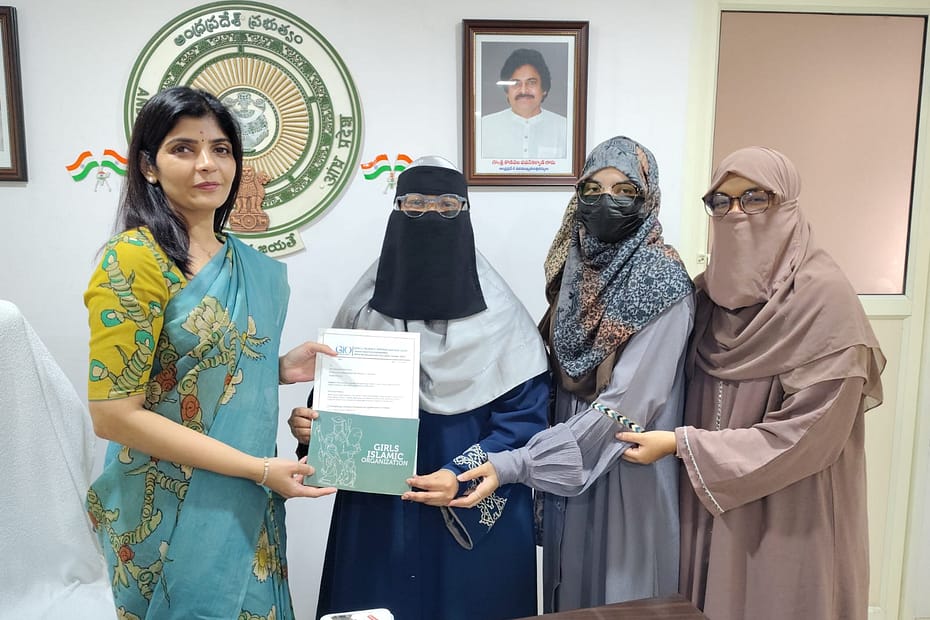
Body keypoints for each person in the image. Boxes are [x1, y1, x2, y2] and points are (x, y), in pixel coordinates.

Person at [83, 86, 336, 620]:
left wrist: (277, 368)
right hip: (163, 509)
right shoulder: (134, 260)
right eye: (183, 149)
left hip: (246, 502)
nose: (207, 164)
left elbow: (196, 369)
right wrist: (258, 470)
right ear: (149, 167)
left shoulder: (247, 264)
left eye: (221, 149)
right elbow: (113, 416)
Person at [617, 147, 885, 620]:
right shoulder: (705, 296)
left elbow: (807, 438)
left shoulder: (825, 304)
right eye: (721, 201)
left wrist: (684, 445)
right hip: (708, 503)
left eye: (755, 198)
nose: (735, 214)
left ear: (788, 205)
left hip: (790, 512)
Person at [289, 156, 550, 620]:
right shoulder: (364, 312)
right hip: (380, 508)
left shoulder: (505, 321)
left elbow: (525, 424)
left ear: (466, 216)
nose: (431, 216)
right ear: (395, 213)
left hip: (473, 499)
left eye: (448, 206)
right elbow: (333, 404)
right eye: (414, 205)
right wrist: (311, 428)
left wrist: (459, 473)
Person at [452, 136, 695, 612]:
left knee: (622, 597)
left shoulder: (663, 279)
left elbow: (625, 407)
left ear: (649, 198)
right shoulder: (573, 271)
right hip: (566, 462)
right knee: (570, 597)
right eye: (594, 188)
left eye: (625, 190)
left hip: (624, 462)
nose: (607, 201)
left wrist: (519, 464)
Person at [481, 48, 568, 159]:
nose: (523, 90)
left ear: (544, 89)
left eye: (531, 82)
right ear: (507, 91)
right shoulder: (485, 127)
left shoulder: (565, 128)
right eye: (515, 83)